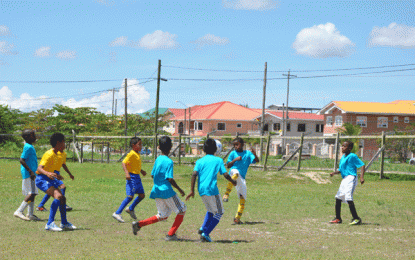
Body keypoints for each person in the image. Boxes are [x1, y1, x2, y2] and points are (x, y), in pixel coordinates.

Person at [132, 136, 186, 241]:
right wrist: (180, 190)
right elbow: (170, 178)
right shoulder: (169, 162)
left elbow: (152, 175)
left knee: (163, 215)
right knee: (182, 210)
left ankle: (138, 225)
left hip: (156, 190)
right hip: (167, 191)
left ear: (158, 147)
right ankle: (171, 235)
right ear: (171, 147)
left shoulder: (158, 159)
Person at [186, 138, 237, 242]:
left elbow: (194, 174)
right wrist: (233, 181)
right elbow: (225, 174)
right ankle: (206, 233)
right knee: (219, 212)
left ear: (204, 149)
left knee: (210, 211)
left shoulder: (200, 161)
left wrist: (192, 190)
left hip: (202, 190)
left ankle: (203, 228)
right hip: (212, 190)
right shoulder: (218, 160)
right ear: (215, 149)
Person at [36, 133, 76, 231]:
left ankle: (64, 223)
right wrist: (47, 173)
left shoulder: (59, 154)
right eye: (63, 142)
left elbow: (54, 167)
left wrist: (56, 175)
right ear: (58, 143)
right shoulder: (49, 154)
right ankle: (49, 224)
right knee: (58, 196)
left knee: (62, 198)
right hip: (42, 179)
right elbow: (39, 168)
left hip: (50, 179)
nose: (65, 144)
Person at [222, 137, 259, 224]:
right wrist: (235, 159)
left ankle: (237, 218)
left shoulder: (248, 153)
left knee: (243, 199)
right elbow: (228, 165)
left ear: (242, 144)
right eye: (234, 145)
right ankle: (226, 194)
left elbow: (257, 161)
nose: (235, 146)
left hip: (242, 178)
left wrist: (255, 154)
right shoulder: (233, 153)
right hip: (233, 173)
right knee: (236, 173)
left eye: (237, 144)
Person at [329, 141, 365, 225]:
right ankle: (338, 218)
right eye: (342, 146)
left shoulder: (352, 156)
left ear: (349, 148)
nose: (342, 147)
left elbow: (362, 165)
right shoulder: (343, 157)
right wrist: (334, 173)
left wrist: (362, 177)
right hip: (344, 179)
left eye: (344, 146)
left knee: (348, 197)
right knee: (338, 197)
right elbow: (341, 170)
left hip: (351, 178)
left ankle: (356, 218)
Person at [113, 137, 147, 223]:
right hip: (131, 177)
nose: (141, 146)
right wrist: (127, 173)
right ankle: (117, 213)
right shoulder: (131, 154)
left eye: (141, 144)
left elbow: (134, 165)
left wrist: (141, 171)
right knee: (130, 196)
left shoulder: (137, 154)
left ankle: (130, 209)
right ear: (133, 145)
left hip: (137, 177)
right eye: (139, 144)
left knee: (142, 195)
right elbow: (124, 163)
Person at [14, 129, 40, 221]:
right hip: (29, 174)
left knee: (33, 193)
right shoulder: (28, 147)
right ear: (26, 137)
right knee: (32, 193)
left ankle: (30, 214)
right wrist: (30, 171)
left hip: (32, 173)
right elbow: (21, 160)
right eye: (33, 135)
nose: (35, 137)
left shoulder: (30, 146)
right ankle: (19, 211)